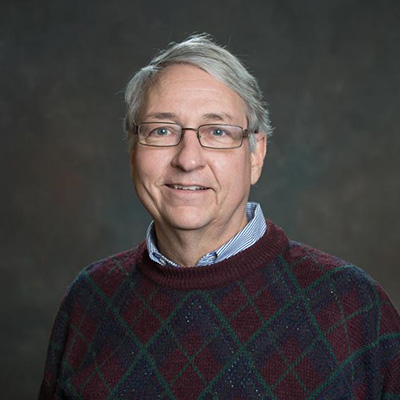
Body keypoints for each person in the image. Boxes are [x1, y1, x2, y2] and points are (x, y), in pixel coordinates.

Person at [39, 34, 400, 399]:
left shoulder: (351, 307)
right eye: (162, 130)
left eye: (217, 131)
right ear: (133, 150)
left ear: (256, 154)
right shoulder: (89, 301)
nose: (188, 159)